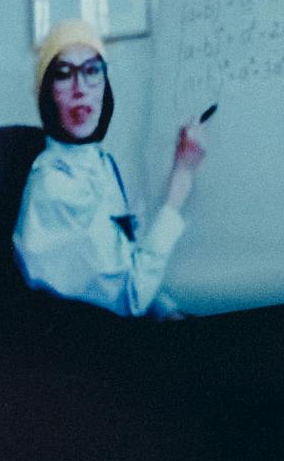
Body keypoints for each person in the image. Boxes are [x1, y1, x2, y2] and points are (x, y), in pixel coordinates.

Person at [12, 21, 207, 319]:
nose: (80, 89)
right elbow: (130, 299)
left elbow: (126, 263)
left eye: (92, 71)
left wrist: (168, 310)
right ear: (47, 94)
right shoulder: (55, 186)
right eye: (63, 75)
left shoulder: (97, 161)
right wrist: (182, 179)